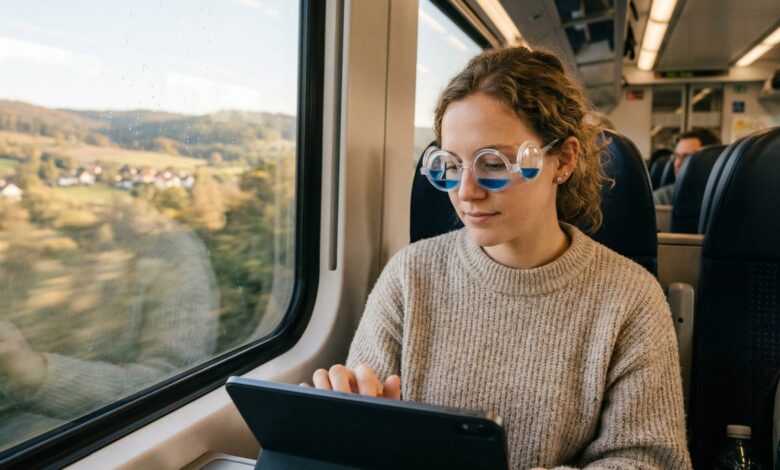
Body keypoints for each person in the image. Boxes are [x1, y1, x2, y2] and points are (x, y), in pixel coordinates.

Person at [303, 47, 691, 469]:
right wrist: (348, 425)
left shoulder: (630, 298)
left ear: (563, 160)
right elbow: (368, 416)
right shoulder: (410, 274)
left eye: (494, 162)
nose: (466, 192)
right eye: (451, 165)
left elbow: (650, 458)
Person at [652, 130, 720, 205]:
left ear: (711, 160)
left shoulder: (724, 197)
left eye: (686, 157)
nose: (677, 163)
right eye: (676, 156)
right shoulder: (660, 199)